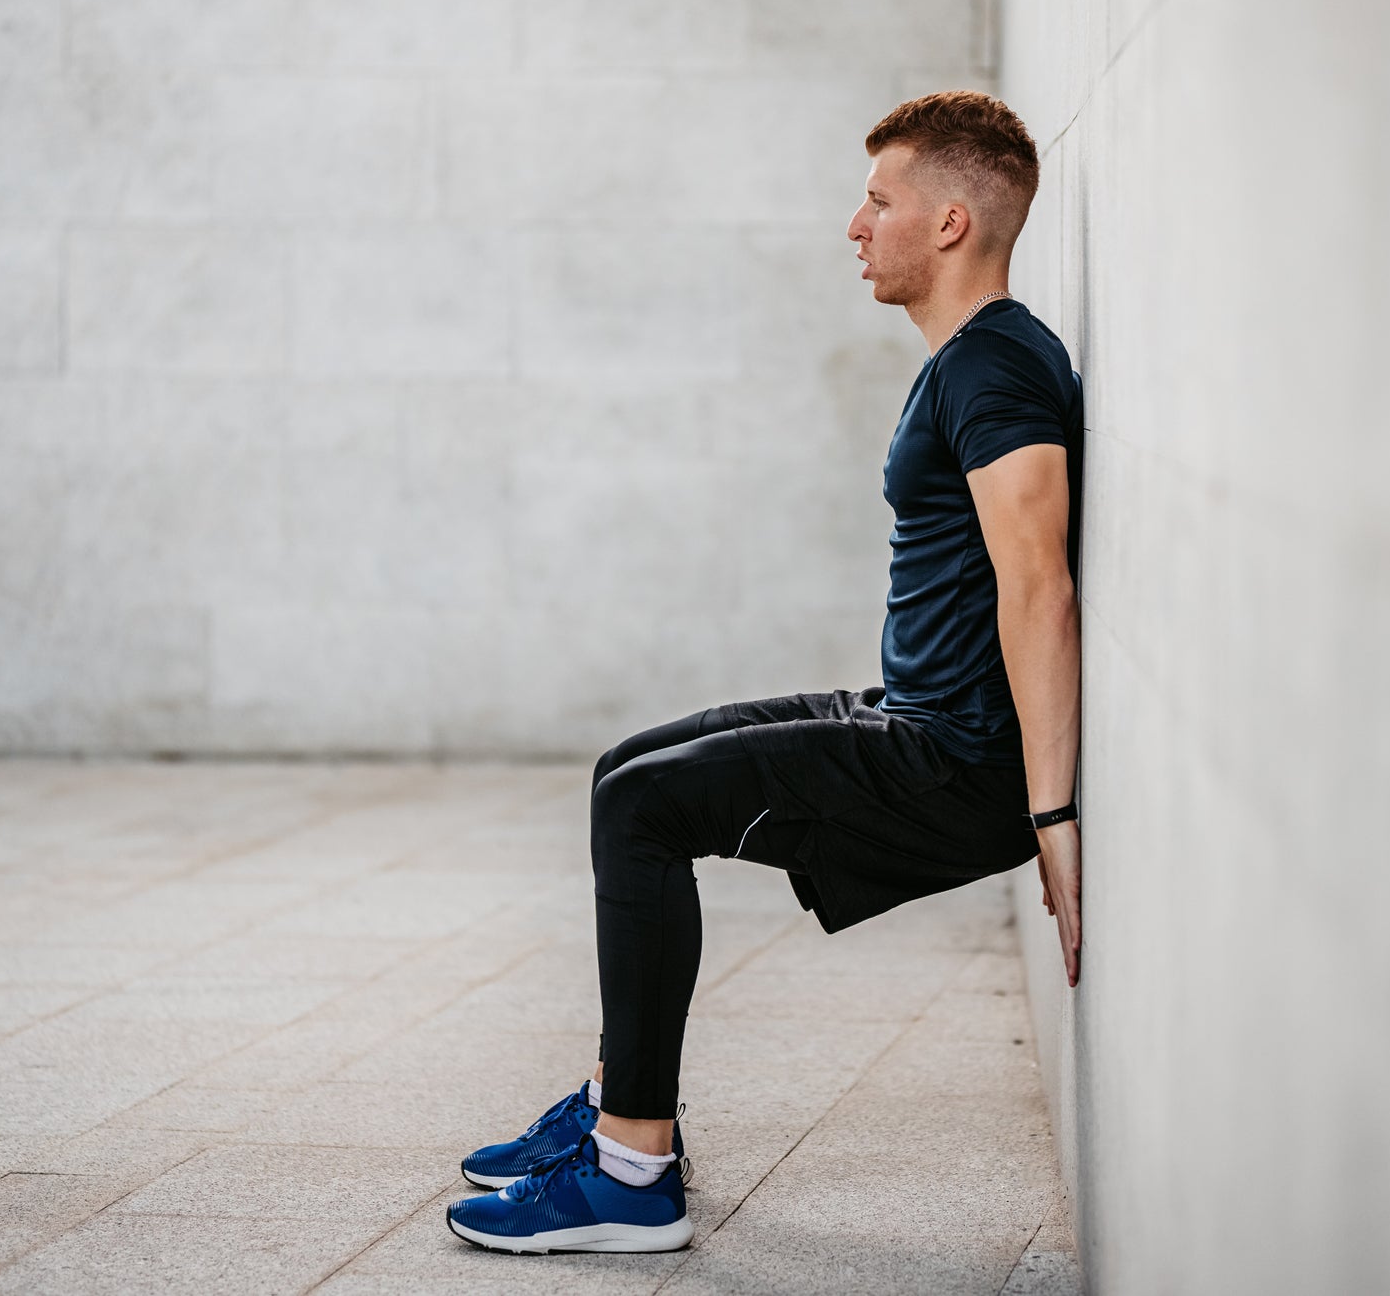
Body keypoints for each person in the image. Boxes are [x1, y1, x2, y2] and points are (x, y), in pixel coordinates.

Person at [445, 91, 1085, 1256]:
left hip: (954, 758)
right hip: (914, 714)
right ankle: (610, 1108)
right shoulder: (972, 357)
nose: (854, 224)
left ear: (948, 222)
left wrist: (1048, 811)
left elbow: (1039, 584)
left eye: (878, 199)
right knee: (623, 771)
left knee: (644, 808)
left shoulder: (996, 370)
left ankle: (630, 1172)